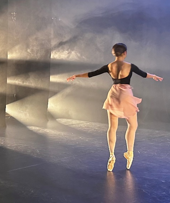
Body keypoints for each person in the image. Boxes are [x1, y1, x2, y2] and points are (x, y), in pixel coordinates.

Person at [67, 43, 163, 171]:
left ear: (114, 53)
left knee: (112, 127)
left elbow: (92, 74)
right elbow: (144, 74)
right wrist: (154, 76)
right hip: (125, 95)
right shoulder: (130, 66)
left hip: (113, 94)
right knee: (133, 126)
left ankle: (111, 155)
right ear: (125, 53)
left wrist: (76, 76)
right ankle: (130, 152)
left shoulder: (109, 66)